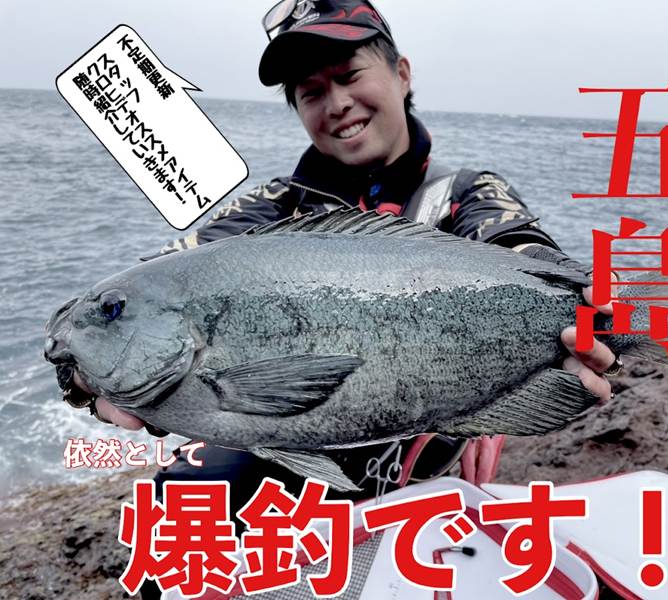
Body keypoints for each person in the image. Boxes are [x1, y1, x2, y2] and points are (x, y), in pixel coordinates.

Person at [73, 0, 616, 507]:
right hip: (290, 455)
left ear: (402, 73)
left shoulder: (467, 193)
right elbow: (155, 290)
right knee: (184, 493)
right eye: (311, 93)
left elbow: (514, 242)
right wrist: (82, 374)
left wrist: (582, 314)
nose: (337, 104)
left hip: (427, 467)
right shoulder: (268, 211)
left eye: (350, 75)